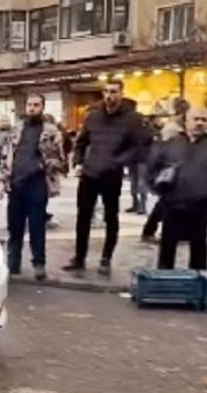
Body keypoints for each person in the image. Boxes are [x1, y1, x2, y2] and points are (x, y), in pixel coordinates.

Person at [63, 81, 142, 275]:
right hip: (90, 174)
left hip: (111, 175)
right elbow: (81, 143)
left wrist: (119, 162)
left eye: (113, 92)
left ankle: (106, 258)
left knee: (111, 217)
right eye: (106, 92)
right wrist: (79, 163)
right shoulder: (93, 117)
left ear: (121, 94)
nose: (109, 96)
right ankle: (79, 258)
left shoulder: (132, 119)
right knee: (83, 217)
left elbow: (139, 146)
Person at [148, 107, 207, 269]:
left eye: (203, 120)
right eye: (195, 119)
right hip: (172, 203)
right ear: (186, 121)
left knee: (199, 247)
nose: (199, 123)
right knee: (167, 246)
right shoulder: (170, 145)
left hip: (200, 206)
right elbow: (152, 167)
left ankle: (197, 283)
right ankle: (164, 283)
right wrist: (159, 187)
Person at [0, 94, 67, 280]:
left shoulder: (51, 131)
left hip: (37, 183)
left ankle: (39, 263)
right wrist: (5, 178)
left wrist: (43, 165)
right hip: (16, 183)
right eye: (29, 105)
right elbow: (6, 155)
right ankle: (13, 264)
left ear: (42, 107)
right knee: (15, 226)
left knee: (37, 225)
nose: (32, 108)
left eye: (36, 105)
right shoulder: (16, 129)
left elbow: (60, 160)